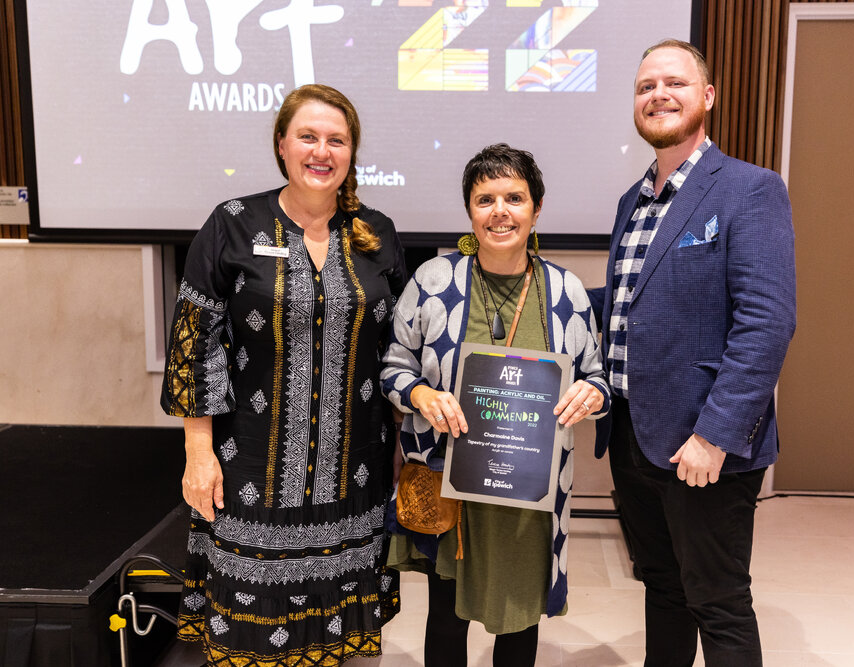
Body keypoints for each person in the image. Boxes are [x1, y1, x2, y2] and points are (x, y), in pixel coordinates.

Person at [160, 84, 407, 666]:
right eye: (308, 137)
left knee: (337, 646)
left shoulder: (378, 232)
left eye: (336, 140)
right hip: (252, 470)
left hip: (355, 473)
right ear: (281, 144)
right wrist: (198, 452)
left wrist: (404, 450)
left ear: (351, 153)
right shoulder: (233, 224)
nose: (321, 151)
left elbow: (397, 347)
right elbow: (194, 348)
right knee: (253, 640)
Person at [590, 40, 796, 666]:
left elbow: (767, 323)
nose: (658, 94)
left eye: (674, 83)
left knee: (719, 600)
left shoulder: (749, 190)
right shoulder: (633, 200)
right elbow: (628, 307)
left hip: (704, 447)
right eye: (645, 85)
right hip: (634, 436)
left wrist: (716, 435)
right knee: (663, 588)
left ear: (706, 97)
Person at [380, 143, 609, 667]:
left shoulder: (566, 292)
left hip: (529, 492)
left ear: (537, 208)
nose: (500, 211)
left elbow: (598, 380)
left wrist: (591, 395)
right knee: (445, 616)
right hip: (449, 482)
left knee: (519, 618)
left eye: (514, 197)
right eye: (485, 199)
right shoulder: (434, 283)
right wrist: (420, 393)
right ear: (469, 210)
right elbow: (393, 367)